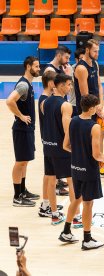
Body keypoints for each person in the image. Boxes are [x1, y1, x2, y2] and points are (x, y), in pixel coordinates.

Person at [59, 94, 104, 250]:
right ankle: (87, 239)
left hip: (75, 167)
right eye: (97, 106)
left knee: (76, 200)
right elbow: (96, 154)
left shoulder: (72, 121)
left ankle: (66, 231)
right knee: (88, 203)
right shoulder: (94, 127)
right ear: (91, 108)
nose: (98, 109)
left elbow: (65, 145)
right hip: (89, 170)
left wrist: (78, 153)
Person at [6, 56, 41, 207]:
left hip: (27, 129)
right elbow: (9, 101)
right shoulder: (23, 85)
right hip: (21, 129)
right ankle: (16, 196)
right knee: (20, 162)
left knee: (25, 161)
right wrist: (20, 116)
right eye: (36, 66)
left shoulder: (29, 84)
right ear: (28, 67)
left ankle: (22, 190)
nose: (39, 69)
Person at [73, 39, 104, 177]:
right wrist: (96, 109)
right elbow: (85, 95)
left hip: (95, 107)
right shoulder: (81, 68)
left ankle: (99, 166)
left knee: (101, 134)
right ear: (87, 50)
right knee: (90, 137)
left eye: (98, 51)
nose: (97, 53)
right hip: (86, 110)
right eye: (95, 51)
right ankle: (89, 166)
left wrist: (101, 105)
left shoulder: (95, 64)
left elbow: (100, 85)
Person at [42, 74, 75, 225]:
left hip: (48, 146)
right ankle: (76, 217)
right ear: (61, 86)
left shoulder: (45, 102)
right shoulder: (65, 105)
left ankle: (54, 214)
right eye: (69, 84)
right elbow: (67, 130)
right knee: (71, 181)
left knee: (51, 179)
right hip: (62, 149)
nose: (70, 87)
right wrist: (73, 147)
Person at [38, 71, 65, 217]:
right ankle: (46, 205)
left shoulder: (46, 99)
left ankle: (46, 204)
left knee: (49, 175)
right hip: (50, 140)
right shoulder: (45, 100)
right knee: (49, 176)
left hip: (48, 140)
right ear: (51, 84)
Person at [69, 48, 85, 116]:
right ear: (76, 59)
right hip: (75, 104)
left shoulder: (89, 68)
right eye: (81, 58)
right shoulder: (71, 69)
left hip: (86, 104)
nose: (84, 61)